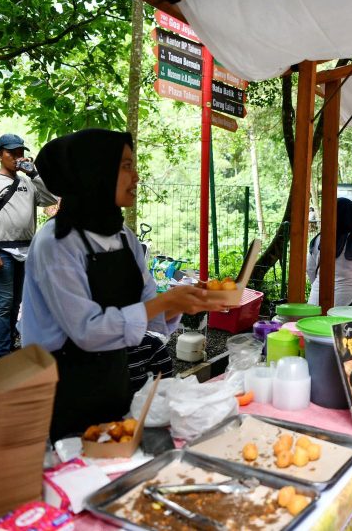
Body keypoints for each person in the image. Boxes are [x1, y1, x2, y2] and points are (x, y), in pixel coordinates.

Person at [20, 129, 228, 441]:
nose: (137, 177)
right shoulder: (56, 243)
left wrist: (184, 303)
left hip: (116, 378)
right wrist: (165, 302)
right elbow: (87, 330)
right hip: (63, 387)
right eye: (126, 166)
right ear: (96, 171)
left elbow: (152, 315)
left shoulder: (123, 237)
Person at [0, 134, 58, 358]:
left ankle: (11, 345)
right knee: (3, 303)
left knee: (18, 301)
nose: (17, 157)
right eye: (11, 153)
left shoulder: (28, 181)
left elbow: (50, 199)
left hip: (26, 251)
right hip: (0, 252)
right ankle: (2, 353)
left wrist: (34, 173)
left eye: (20, 153)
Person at [307, 197, 352, 306]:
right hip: (348, 299)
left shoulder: (318, 239)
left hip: (317, 299)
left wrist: (319, 284)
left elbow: (310, 269)